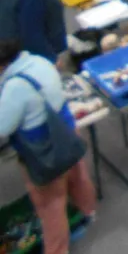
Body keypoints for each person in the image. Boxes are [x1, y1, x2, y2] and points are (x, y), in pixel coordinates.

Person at [0, 40, 96, 253]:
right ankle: (87, 214)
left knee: (50, 208)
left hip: (44, 154)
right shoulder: (39, 61)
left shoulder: (15, 86)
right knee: (79, 177)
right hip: (67, 135)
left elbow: (3, 127)